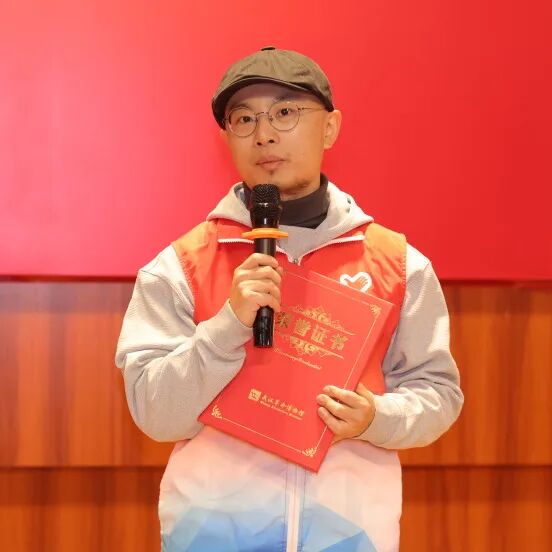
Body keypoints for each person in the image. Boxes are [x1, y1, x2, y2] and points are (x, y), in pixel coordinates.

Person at [115, 46, 463, 552]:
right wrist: (226, 328)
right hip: (211, 535)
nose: (264, 134)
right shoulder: (181, 266)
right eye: (244, 119)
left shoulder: (399, 265)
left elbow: (438, 395)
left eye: (285, 112)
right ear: (226, 137)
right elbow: (155, 415)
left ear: (330, 128)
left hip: (350, 536)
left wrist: (376, 419)